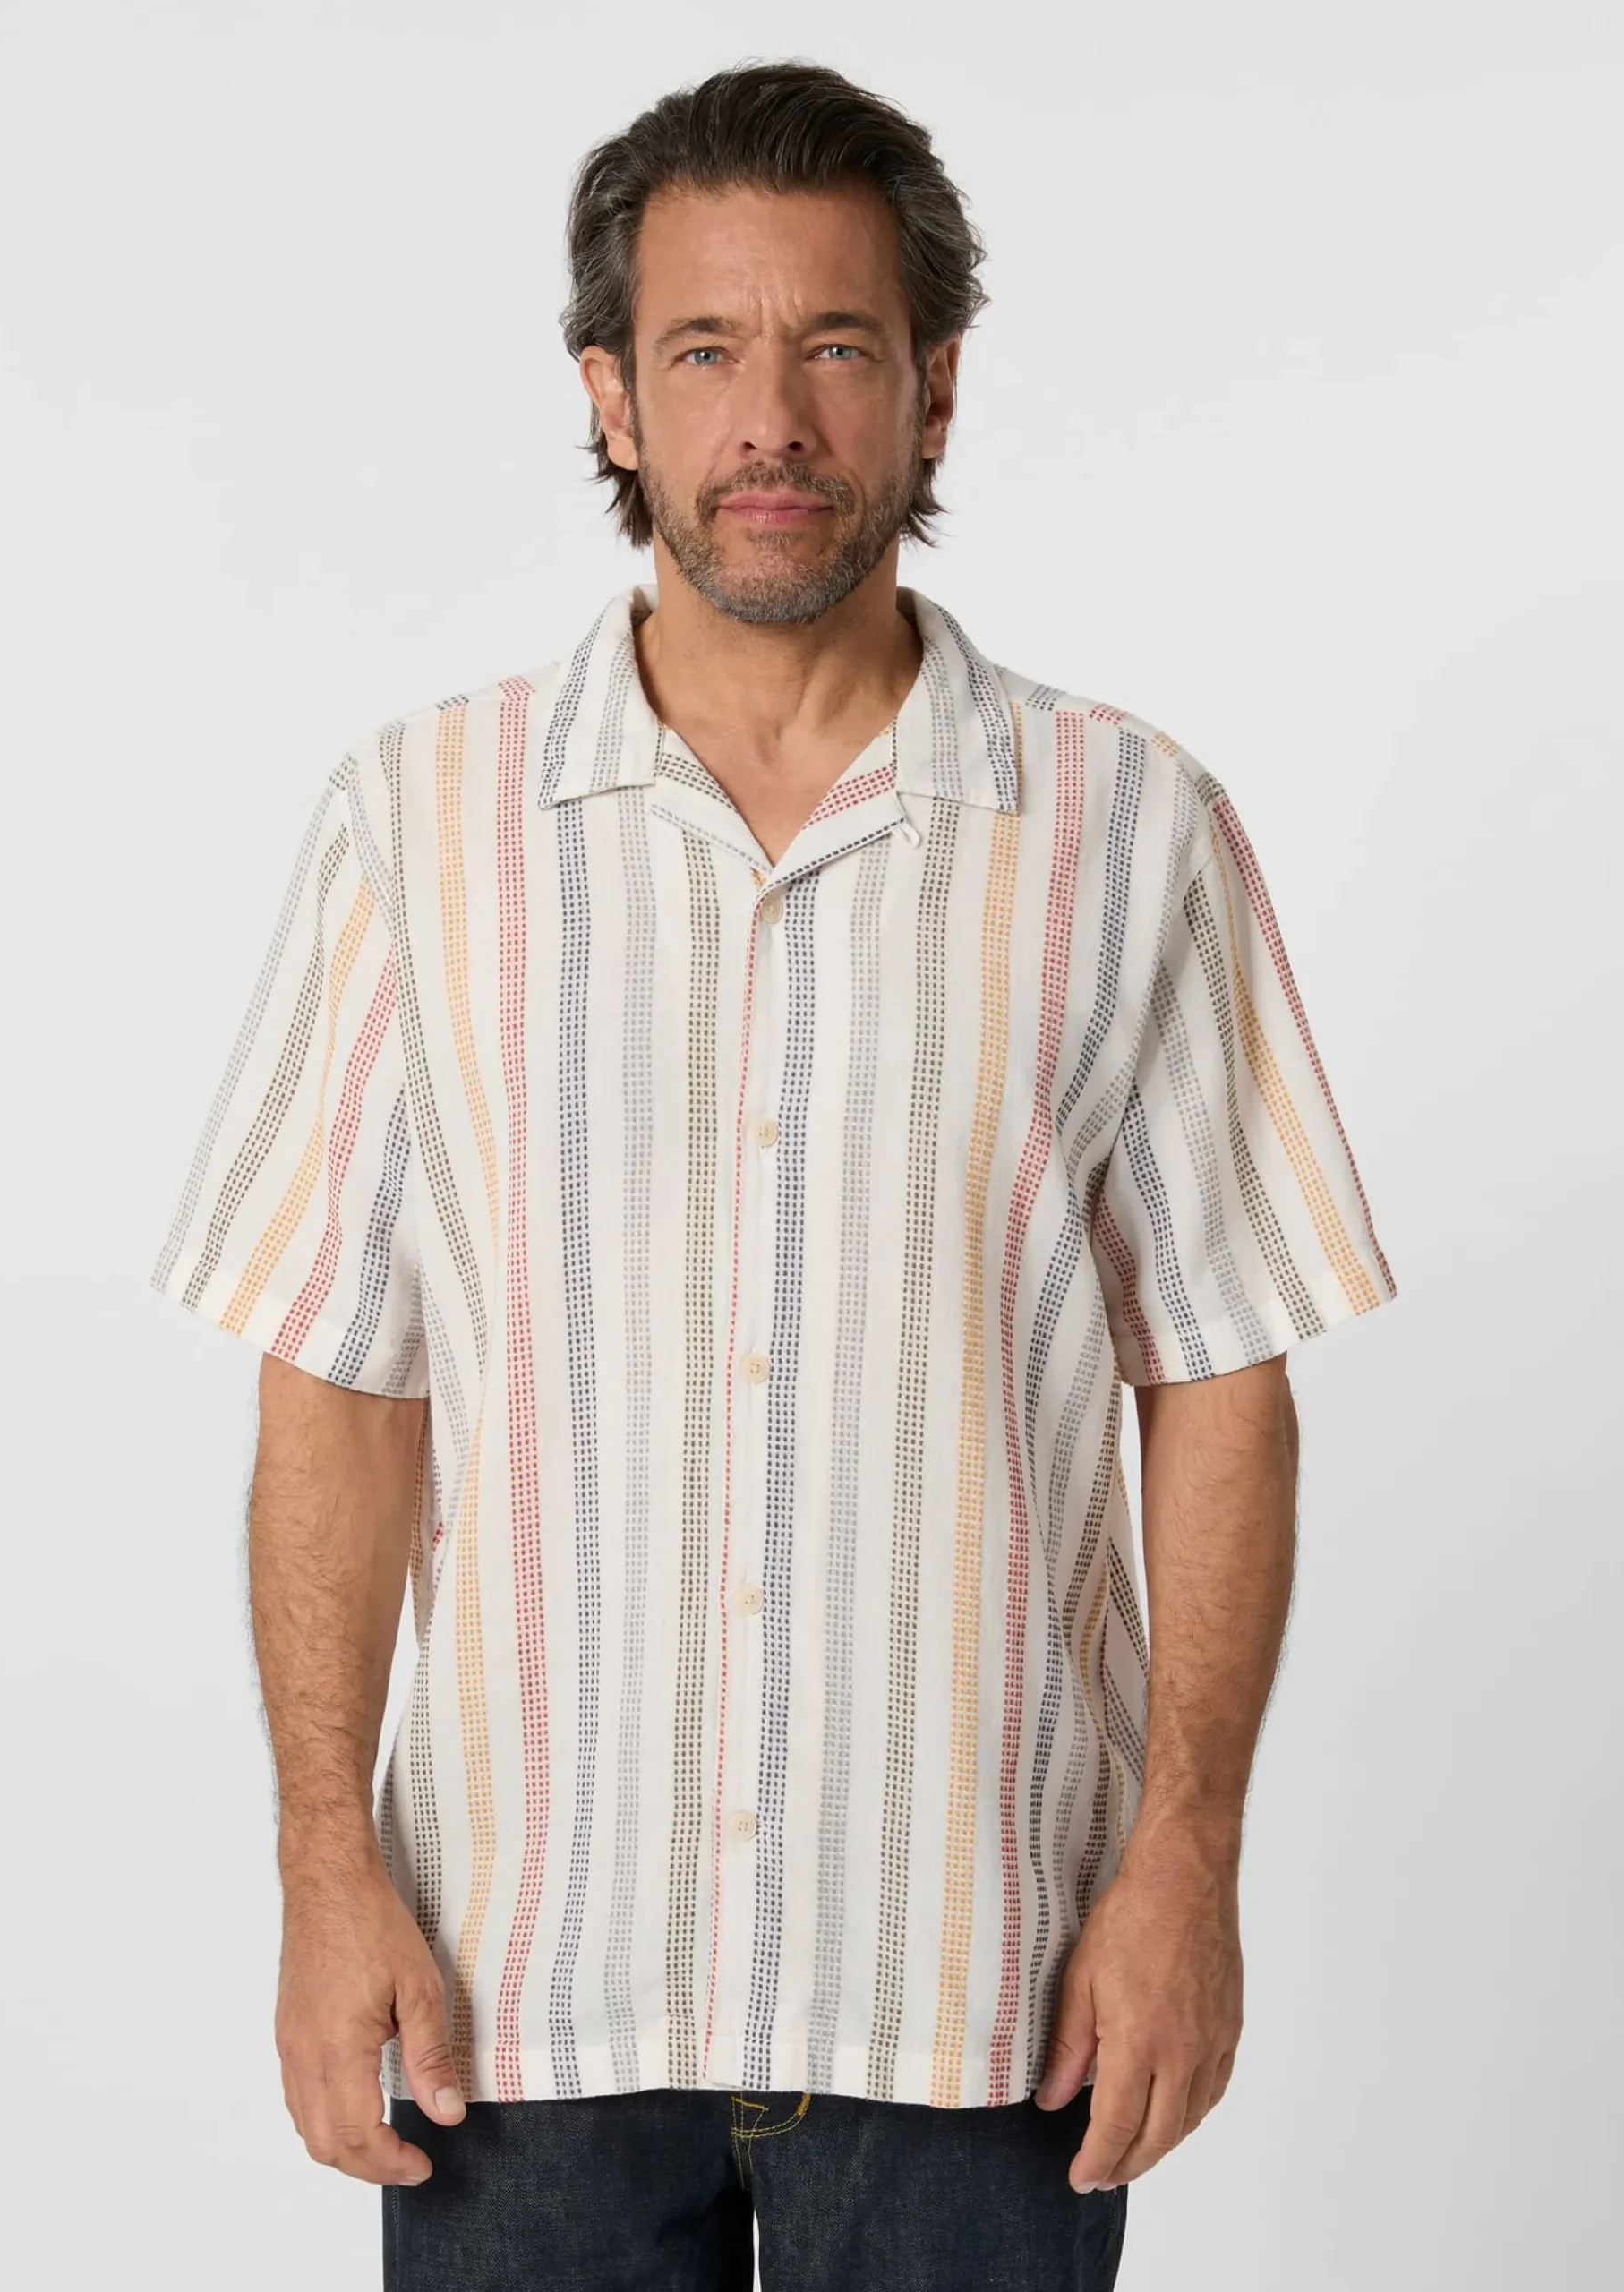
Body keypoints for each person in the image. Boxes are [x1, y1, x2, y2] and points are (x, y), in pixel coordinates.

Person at [149, 56, 1399, 2292]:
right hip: (515, 1995)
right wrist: (323, 1867)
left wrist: (1189, 1859)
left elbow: (1221, 1378)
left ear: (935, 385)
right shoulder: (419, 827)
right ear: (611, 395)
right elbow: (336, 1383)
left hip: (985, 1993)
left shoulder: (1129, 831)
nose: (774, 422)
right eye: (708, 350)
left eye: (835, 345)